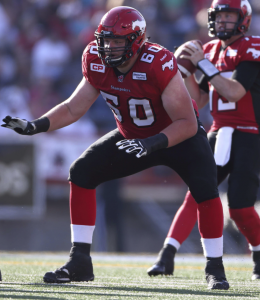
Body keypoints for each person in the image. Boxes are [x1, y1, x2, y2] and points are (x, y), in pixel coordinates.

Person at [1, 6, 229, 290]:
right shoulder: (95, 59)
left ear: (136, 40)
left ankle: (215, 268)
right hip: (132, 136)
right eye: (106, 40)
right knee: (82, 172)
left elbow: (187, 122)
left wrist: (151, 143)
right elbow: (74, 107)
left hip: (177, 136)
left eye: (117, 41)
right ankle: (80, 260)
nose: (109, 47)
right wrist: (36, 125)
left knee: (206, 191)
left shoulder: (156, 62)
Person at [147, 0, 260, 281]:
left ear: (243, 19)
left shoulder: (251, 47)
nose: (222, 22)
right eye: (218, 17)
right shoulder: (209, 50)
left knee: (240, 208)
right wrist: (181, 73)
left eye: (229, 16)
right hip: (217, 131)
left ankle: (258, 252)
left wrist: (203, 66)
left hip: (249, 134)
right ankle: (167, 255)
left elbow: (234, 92)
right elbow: (197, 99)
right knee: (195, 195)